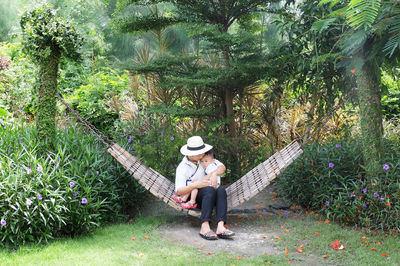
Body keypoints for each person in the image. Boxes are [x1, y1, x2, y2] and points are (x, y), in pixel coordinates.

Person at [174, 136, 235, 240]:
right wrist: (195, 185)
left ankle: (220, 227)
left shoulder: (204, 159)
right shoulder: (182, 167)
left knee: (221, 190)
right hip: (193, 195)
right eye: (200, 152)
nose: (203, 153)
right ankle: (204, 226)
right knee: (210, 190)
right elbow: (179, 191)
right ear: (191, 154)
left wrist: (214, 174)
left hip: (207, 193)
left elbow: (222, 167)